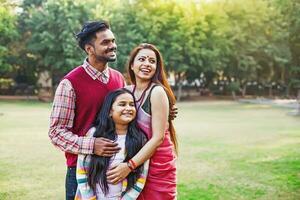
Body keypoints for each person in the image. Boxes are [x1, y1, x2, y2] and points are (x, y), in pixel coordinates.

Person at [48, 20, 125, 200]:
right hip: (81, 170)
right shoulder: (70, 83)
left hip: (115, 168)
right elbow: (56, 132)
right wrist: (92, 145)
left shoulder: (119, 79)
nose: (113, 46)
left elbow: (130, 113)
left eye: (113, 41)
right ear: (89, 49)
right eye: (105, 42)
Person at [107, 43, 178, 200]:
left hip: (157, 164)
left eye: (152, 61)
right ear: (132, 65)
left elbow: (158, 137)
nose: (147, 64)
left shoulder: (157, 91)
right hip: (136, 160)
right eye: (142, 59)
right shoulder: (127, 91)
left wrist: (129, 166)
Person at [75, 88, 149, 199]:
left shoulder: (140, 139)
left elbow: (141, 177)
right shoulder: (94, 134)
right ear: (110, 111)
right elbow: (82, 171)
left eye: (131, 105)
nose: (128, 108)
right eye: (122, 104)